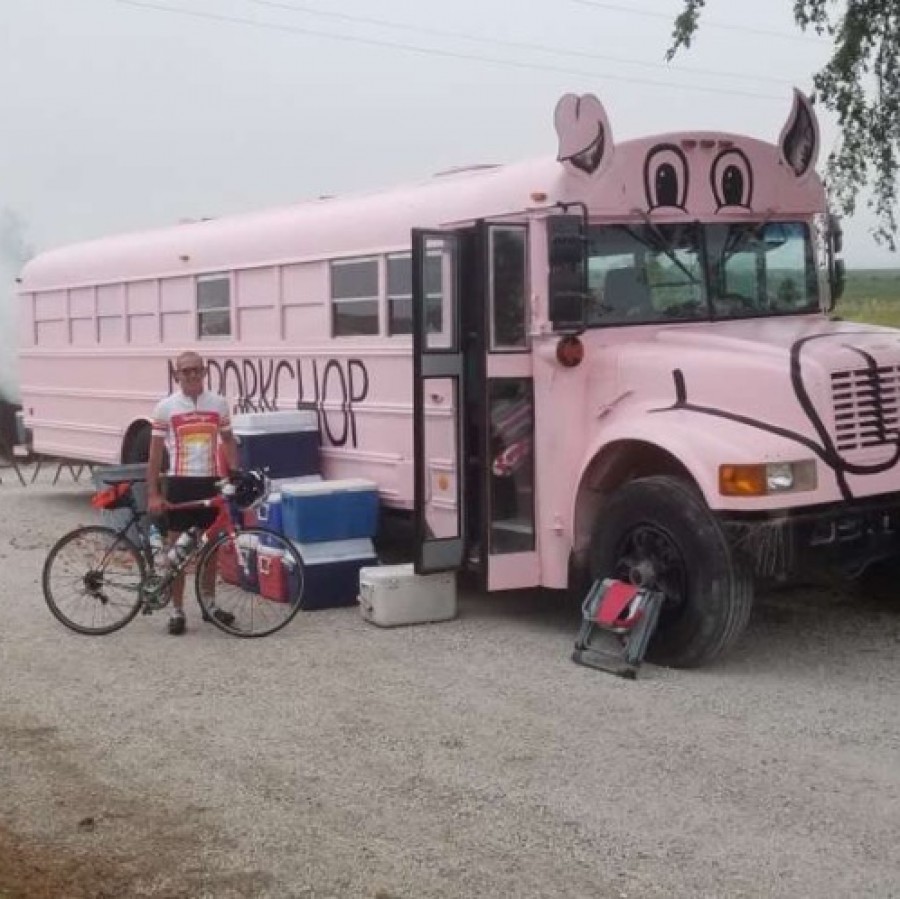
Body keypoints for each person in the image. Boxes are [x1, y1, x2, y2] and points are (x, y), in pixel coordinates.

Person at [147, 351, 239, 635]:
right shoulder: (166, 408)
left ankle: (209, 605)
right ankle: (176, 610)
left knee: (209, 550)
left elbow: (227, 441)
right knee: (178, 552)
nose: (191, 375)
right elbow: (154, 456)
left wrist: (235, 475)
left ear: (205, 371)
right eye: (185, 371)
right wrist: (153, 493)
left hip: (210, 482)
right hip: (179, 483)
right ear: (177, 375)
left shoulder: (219, 404)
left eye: (196, 370)